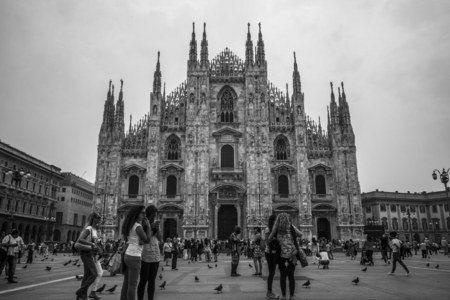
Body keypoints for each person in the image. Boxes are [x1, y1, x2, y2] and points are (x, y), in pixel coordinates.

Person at [269, 213, 303, 300]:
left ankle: (283, 296)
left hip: (281, 255)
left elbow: (269, 239)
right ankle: (291, 296)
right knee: (291, 276)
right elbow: (300, 234)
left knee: (283, 276)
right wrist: (291, 226)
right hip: (292, 255)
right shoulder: (291, 227)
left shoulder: (276, 229)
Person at [120, 205, 151, 300]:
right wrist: (149, 226)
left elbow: (131, 239)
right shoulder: (138, 226)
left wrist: (139, 241)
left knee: (126, 282)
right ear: (137, 214)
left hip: (127, 254)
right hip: (134, 256)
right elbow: (147, 240)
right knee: (133, 285)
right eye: (143, 213)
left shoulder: (129, 225)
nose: (144, 215)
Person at [74, 213, 102, 300]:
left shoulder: (94, 229)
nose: (99, 220)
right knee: (94, 274)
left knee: (86, 275)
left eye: (99, 219)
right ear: (93, 219)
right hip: (86, 253)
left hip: (91, 253)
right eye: (97, 218)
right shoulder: (89, 228)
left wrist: (98, 248)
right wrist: (92, 244)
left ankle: (82, 296)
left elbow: (95, 243)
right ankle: (80, 291)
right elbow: (80, 239)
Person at [137, 205, 161, 300]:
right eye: (153, 215)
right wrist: (150, 227)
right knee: (143, 280)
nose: (154, 217)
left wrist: (157, 228)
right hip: (145, 254)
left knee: (152, 281)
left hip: (155, 254)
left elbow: (160, 238)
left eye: (155, 215)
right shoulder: (141, 224)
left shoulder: (155, 224)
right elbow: (143, 240)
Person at [264, 214, 279, 299]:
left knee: (273, 272)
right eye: (275, 220)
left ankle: (270, 291)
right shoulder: (268, 229)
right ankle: (269, 292)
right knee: (271, 272)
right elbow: (267, 241)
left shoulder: (276, 229)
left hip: (275, 252)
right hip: (269, 253)